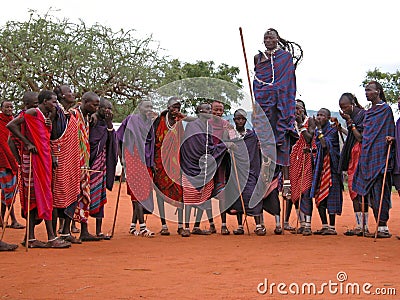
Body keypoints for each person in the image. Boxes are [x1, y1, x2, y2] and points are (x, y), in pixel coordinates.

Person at [7, 90, 70, 248]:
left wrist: (51, 118)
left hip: (43, 160)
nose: (55, 104)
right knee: (41, 195)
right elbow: (11, 125)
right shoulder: (33, 112)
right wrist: (26, 143)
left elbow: (45, 138)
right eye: (53, 102)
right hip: (33, 161)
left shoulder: (44, 117)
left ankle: (31, 237)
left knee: (39, 196)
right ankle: (50, 238)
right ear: (44, 101)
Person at [253, 28, 302, 202]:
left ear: (277, 39)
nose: (268, 39)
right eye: (265, 37)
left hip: (281, 107)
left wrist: (276, 91)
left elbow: (288, 83)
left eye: (271, 37)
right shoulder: (258, 58)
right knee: (265, 144)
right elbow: (257, 82)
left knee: (283, 143)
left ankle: (287, 184)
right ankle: (265, 181)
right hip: (265, 107)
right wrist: (263, 94)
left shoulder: (285, 57)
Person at [180, 103, 231, 237]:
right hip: (191, 167)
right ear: (199, 112)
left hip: (206, 168)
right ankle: (186, 227)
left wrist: (225, 145)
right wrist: (223, 146)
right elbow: (194, 146)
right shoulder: (192, 126)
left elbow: (209, 148)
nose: (210, 112)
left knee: (204, 197)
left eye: (210, 110)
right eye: (207, 110)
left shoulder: (209, 126)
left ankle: (197, 226)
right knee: (189, 199)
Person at [353, 81, 395, 238]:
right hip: (368, 157)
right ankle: (375, 225)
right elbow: (365, 136)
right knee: (369, 194)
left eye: (369, 90)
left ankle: (383, 227)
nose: (366, 93)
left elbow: (390, 130)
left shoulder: (385, 110)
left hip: (380, 157)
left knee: (380, 193)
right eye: (365, 90)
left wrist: (391, 141)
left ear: (378, 91)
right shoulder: (369, 112)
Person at [117, 100, 155, 237]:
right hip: (133, 158)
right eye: (147, 107)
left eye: (151, 106)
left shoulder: (150, 123)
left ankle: (133, 226)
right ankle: (143, 227)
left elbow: (152, 145)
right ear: (139, 108)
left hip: (146, 161)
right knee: (137, 195)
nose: (149, 109)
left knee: (143, 194)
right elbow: (118, 137)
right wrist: (121, 157)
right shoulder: (131, 120)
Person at [50, 85, 81, 243]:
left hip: (72, 159)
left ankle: (66, 231)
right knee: (57, 194)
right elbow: (50, 135)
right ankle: (54, 234)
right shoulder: (56, 112)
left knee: (73, 191)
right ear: (61, 95)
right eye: (69, 91)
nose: (72, 93)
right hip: (59, 157)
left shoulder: (70, 113)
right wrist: (52, 153)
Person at [226, 109, 263, 235]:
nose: (240, 121)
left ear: (246, 121)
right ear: (234, 120)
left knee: (253, 195)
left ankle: (258, 225)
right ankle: (240, 226)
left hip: (250, 171)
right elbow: (223, 145)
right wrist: (229, 147)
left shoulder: (251, 135)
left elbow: (255, 152)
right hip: (236, 171)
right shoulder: (231, 135)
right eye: (237, 119)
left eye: (242, 119)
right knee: (238, 198)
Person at [153, 97, 185, 235]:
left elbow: (183, 143)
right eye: (173, 107)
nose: (175, 110)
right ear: (168, 107)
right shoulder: (159, 121)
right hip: (160, 163)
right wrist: (152, 162)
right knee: (160, 194)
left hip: (176, 164)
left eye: (178, 107)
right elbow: (152, 141)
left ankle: (180, 225)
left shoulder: (180, 122)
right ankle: (164, 225)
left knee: (180, 193)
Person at [72, 92, 101, 241]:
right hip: (72, 162)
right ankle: (66, 231)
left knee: (84, 196)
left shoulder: (87, 118)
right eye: (94, 105)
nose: (96, 108)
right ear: (84, 101)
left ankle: (84, 230)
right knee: (71, 196)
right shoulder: (72, 115)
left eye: (97, 105)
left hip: (84, 162)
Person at [337, 93, 368, 236]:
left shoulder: (363, 115)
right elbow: (351, 135)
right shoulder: (353, 118)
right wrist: (341, 128)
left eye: (345, 107)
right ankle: (359, 224)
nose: (344, 110)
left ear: (353, 103)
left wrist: (350, 122)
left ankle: (365, 226)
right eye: (341, 108)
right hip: (352, 156)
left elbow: (360, 137)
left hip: (361, 156)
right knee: (352, 190)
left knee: (360, 190)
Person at [310, 108, 343, 235]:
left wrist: (318, 129)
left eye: (322, 115)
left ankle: (332, 227)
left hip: (332, 168)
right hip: (319, 168)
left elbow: (324, 145)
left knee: (331, 197)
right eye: (318, 115)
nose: (319, 117)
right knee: (320, 197)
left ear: (328, 118)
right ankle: (324, 226)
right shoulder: (317, 132)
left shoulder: (332, 131)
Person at [88, 98, 117, 238]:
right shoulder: (91, 122)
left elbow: (113, 143)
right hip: (88, 165)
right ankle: (82, 229)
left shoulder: (107, 126)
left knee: (99, 197)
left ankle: (98, 230)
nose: (108, 111)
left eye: (110, 109)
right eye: (106, 108)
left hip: (101, 167)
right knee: (84, 197)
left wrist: (109, 123)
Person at [288, 100, 316, 236]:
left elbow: (309, 139)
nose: (296, 111)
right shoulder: (288, 124)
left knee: (305, 191)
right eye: (294, 108)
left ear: (304, 109)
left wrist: (300, 125)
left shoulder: (309, 121)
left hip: (306, 159)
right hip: (293, 160)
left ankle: (308, 225)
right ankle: (301, 222)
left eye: (299, 108)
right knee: (295, 193)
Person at [207, 100, 232, 235]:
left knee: (222, 194)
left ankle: (223, 225)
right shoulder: (206, 125)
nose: (218, 112)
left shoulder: (226, 125)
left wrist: (229, 139)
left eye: (220, 110)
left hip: (221, 164)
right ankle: (211, 224)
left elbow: (234, 141)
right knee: (207, 194)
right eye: (215, 109)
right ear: (211, 110)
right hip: (208, 164)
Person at [0, 100, 24, 229]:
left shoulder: (13, 121)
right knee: (9, 191)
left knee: (7, 192)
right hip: (3, 161)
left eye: (11, 106)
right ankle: (13, 220)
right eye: (6, 107)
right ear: (1, 108)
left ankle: (2, 218)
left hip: (11, 160)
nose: (9, 109)